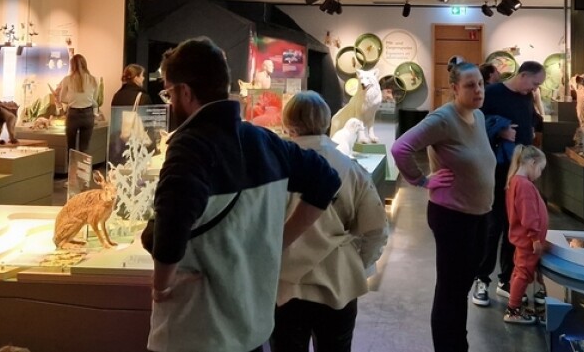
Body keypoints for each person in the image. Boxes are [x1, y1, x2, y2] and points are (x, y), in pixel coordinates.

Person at [142, 37, 341, 352]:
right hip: (253, 327)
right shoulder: (264, 141)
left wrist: (161, 287)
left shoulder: (189, 147)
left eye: (169, 93)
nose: (169, 102)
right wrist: (279, 241)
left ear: (185, 92)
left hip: (196, 333)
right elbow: (326, 180)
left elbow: (171, 225)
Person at [390, 61, 494, 352]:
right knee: (451, 291)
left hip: (478, 214)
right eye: (470, 85)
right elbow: (400, 148)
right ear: (455, 88)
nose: (478, 90)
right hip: (452, 217)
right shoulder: (443, 118)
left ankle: (457, 343)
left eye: (481, 84)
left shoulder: (478, 116)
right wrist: (422, 180)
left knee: (461, 287)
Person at [272, 91, 388, 352]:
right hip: (338, 281)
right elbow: (376, 229)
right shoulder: (351, 168)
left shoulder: (273, 167)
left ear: (287, 123)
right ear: (326, 121)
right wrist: (358, 263)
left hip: (283, 286)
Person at [473, 61, 545, 307]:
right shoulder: (492, 93)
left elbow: (529, 126)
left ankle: (506, 280)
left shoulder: (526, 97)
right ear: (523, 75)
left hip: (519, 176)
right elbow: (474, 124)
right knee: (492, 227)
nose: (535, 88)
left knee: (515, 227)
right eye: (534, 83)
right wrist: (499, 131)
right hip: (495, 171)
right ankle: (481, 279)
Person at [502, 145, 549, 325]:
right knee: (523, 273)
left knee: (520, 271)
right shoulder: (524, 185)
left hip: (524, 239)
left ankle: (515, 306)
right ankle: (513, 310)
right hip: (528, 241)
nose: (540, 174)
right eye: (540, 169)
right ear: (532, 162)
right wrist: (535, 238)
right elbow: (528, 215)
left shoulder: (516, 181)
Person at [56, 54, 99, 154]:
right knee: (84, 148)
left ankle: (71, 164)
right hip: (88, 115)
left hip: (73, 114)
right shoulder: (93, 79)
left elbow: (62, 98)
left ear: (72, 66)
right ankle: (83, 164)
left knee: (71, 148)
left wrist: (72, 100)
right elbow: (94, 100)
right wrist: (84, 100)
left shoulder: (67, 79)